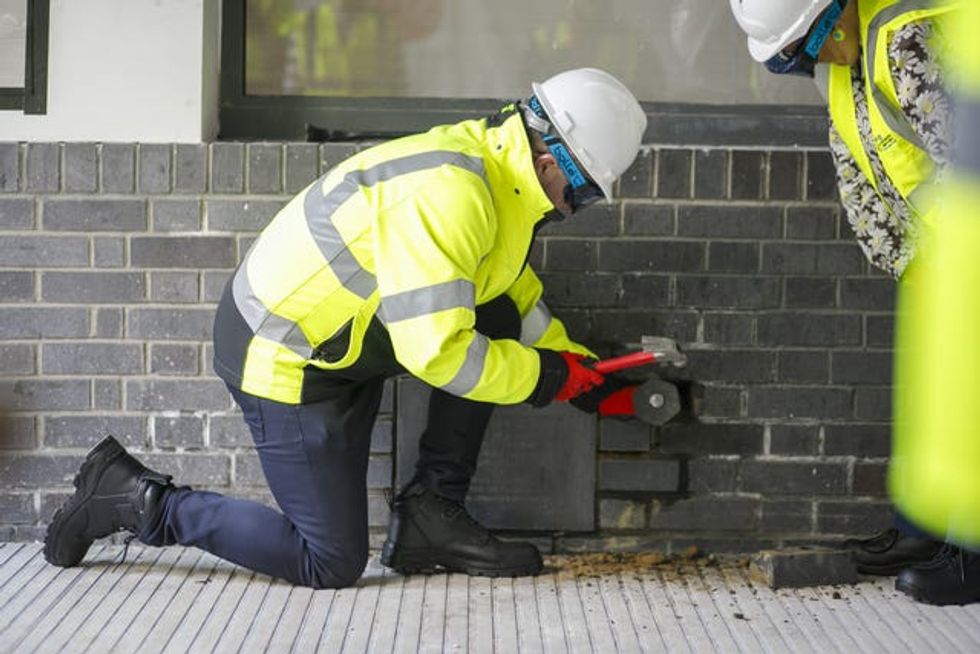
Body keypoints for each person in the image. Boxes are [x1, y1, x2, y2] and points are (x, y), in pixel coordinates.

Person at [42, 68, 648, 589]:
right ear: (550, 162)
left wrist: (580, 367)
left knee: (493, 314)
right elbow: (441, 356)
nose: (577, 208)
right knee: (329, 560)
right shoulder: (451, 194)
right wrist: (548, 379)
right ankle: (137, 499)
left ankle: (430, 516)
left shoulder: (499, 174)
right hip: (282, 353)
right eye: (585, 194)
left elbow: (510, 295)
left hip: (343, 340)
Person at [730, 0, 975, 605]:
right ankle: (924, 531)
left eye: (802, 50)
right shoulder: (845, 68)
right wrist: (911, 263)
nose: (806, 63)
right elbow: (858, 178)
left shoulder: (906, 43)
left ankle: (971, 551)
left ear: (832, 19)